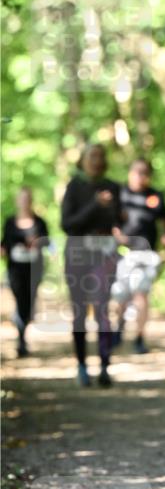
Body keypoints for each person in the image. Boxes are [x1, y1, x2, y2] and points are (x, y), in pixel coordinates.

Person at [60, 143, 123, 387]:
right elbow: (67, 224)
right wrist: (95, 205)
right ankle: (82, 366)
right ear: (82, 160)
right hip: (77, 256)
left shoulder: (113, 187)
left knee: (101, 310)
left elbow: (118, 221)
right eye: (92, 156)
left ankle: (105, 366)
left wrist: (117, 214)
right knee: (79, 312)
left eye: (100, 156)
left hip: (104, 256)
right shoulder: (74, 187)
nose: (97, 160)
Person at [113, 158, 165, 354]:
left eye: (144, 172)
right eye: (137, 172)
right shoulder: (120, 194)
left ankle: (139, 337)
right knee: (121, 295)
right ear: (130, 173)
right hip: (124, 253)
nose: (141, 176)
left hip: (147, 253)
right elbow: (109, 218)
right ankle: (118, 332)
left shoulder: (155, 196)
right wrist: (116, 234)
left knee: (141, 295)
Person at [1, 187, 49, 357]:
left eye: (27, 198)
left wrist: (35, 243)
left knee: (28, 303)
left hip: (34, 268)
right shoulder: (9, 222)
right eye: (21, 198)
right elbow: (5, 243)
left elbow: (46, 242)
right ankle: (21, 339)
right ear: (17, 200)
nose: (24, 201)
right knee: (19, 301)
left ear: (31, 200)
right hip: (15, 269)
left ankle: (23, 333)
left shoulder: (40, 222)